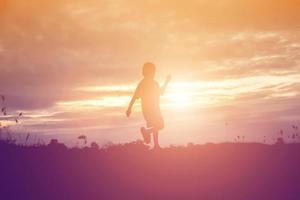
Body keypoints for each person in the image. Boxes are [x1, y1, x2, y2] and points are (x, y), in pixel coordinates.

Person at [126, 62, 171, 149]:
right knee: (160, 125)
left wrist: (167, 81)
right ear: (147, 72)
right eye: (153, 72)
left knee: (155, 126)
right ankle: (147, 133)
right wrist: (129, 108)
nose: (154, 73)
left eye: (154, 71)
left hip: (153, 108)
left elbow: (161, 92)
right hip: (150, 109)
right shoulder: (144, 83)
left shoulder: (153, 83)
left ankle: (156, 145)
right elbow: (135, 96)